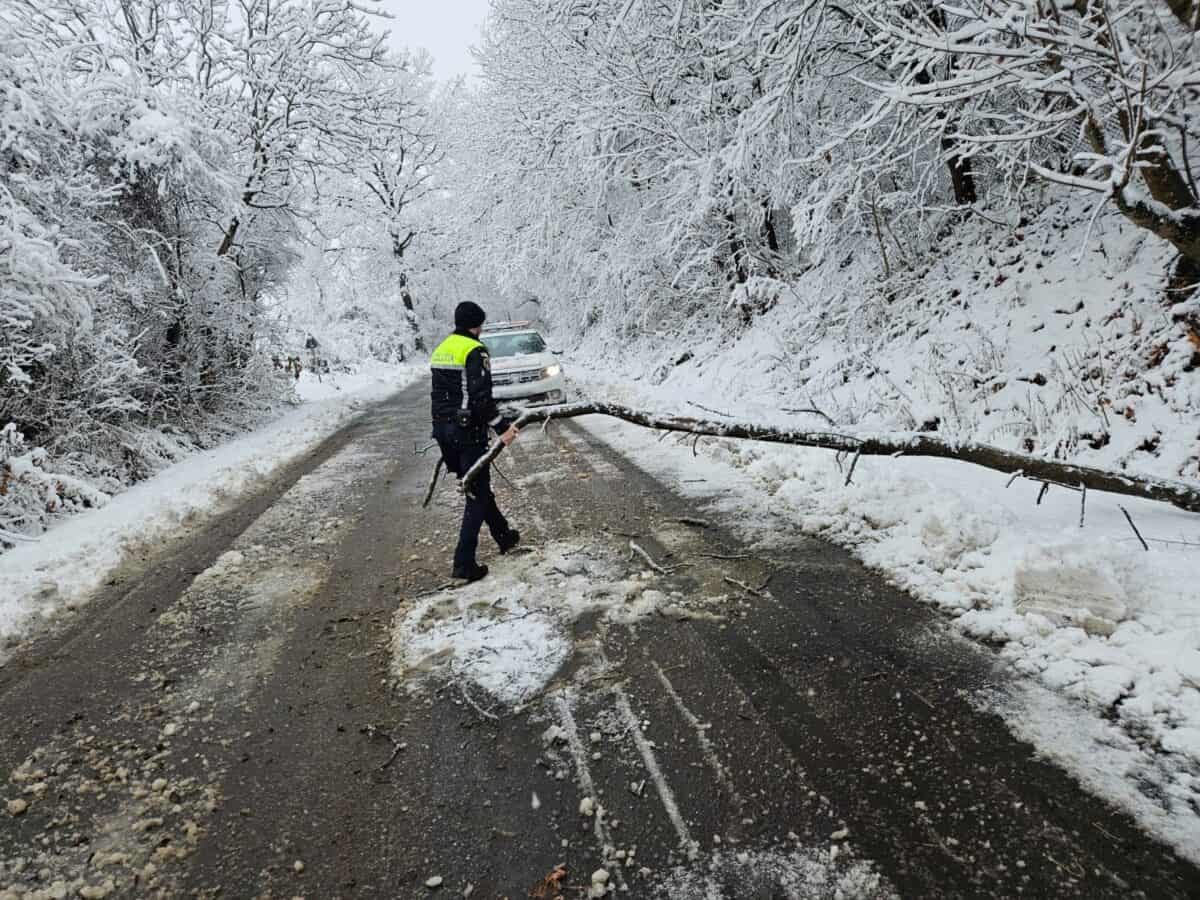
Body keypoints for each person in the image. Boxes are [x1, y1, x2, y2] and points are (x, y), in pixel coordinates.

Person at [430, 301, 522, 581]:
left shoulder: (442, 349)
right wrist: (502, 427)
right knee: (477, 493)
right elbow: (481, 399)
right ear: (477, 324)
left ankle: (503, 535)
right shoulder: (474, 350)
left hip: (444, 431)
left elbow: (443, 395)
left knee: (476, 486)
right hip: (467, 432)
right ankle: (463, 562)